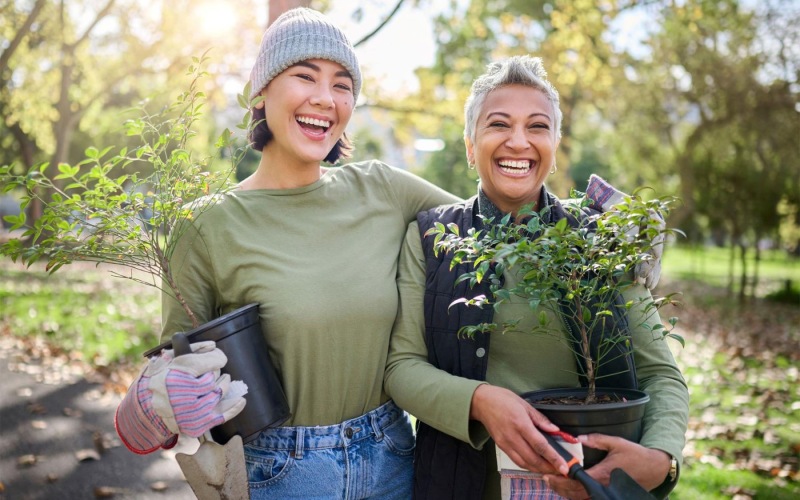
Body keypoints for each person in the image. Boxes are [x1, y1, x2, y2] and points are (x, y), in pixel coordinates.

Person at [113, 8, 664, 498]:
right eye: (304, 76)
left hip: (397, 458)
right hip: (282, 473)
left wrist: (608, 229)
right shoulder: (206, 226)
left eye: (342, 85)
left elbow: (504, 217)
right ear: (261, 92)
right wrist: (151, 408)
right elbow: (170, 376)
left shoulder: (381, 188)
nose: (324, 99)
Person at [383, 55, 689, 500]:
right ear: (471, 146)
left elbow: (659, 372)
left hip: (589, 483)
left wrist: (662, 457)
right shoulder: (431, 238)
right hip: (459, 483)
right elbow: (401, 367)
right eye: (499, 124)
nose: (518, 141)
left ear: (556, 145)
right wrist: (480, 401)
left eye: (538, 127)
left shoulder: (601, 240)